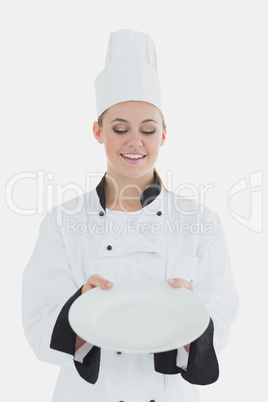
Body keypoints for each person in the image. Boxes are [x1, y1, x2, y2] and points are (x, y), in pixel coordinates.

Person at [22, 29, 239, 402]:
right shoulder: (62, 222)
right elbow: (39, 323)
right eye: (119, 129)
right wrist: (79, 308)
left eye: (148, 130)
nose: (134, 141)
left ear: (164, 135)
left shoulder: (199, 222)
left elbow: (222, 315)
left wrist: (192, 314)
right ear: (98, 131)